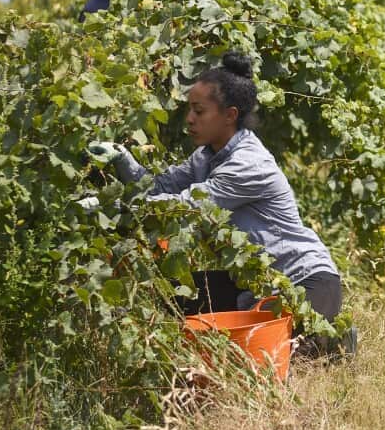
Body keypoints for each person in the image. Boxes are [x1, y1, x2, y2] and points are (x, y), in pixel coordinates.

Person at [87, 52, 354, 356]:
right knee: (175, 296)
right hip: (256, 281)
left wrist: (110, 207)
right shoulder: (206, 156)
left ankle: (334, 342)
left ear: (230, 115)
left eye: (199, 111)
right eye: (190, 109)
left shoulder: (248, 164)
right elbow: (160, 187)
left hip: (306, 283)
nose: (189, 119)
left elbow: (185, 207)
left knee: (277, 359)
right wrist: (123, 159)